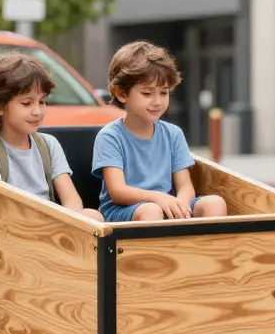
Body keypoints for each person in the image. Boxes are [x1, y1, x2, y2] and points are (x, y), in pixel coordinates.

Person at [92, 41, 228, 222]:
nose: (157, 101)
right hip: (125, 211)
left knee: (215, 203)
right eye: (147, 93)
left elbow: (185, 187)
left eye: (164, 93)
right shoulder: (110, 136)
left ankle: (207, 251)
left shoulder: (173, 134)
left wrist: (181, 206)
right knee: (151, 211)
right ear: (121, 93)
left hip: (167, 205)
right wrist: (159, 198)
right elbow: (118, 191)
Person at [0, 52, 104, 222]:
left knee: (93, 216)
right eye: (26, 103)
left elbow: (72, 200)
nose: (37, 111)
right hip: (12, 226)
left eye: (42, 102)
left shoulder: (49, 144)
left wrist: (70, 224)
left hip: (53, 223)